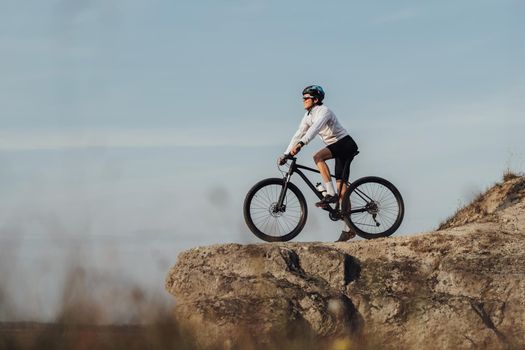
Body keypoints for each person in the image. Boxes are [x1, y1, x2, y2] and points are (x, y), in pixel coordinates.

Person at [278, 85, 359, 242]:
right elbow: (299, 133)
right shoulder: (308, 116)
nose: (303, 101)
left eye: (306, 98)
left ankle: (330, 194)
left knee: (318, 157)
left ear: (315, 99)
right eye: (302, 98)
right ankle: (349, 228)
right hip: (337, 148)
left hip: (345, 144)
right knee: (343, 190)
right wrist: (286, 153)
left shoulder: (324, 111)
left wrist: (302, 144)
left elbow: (314, 129)